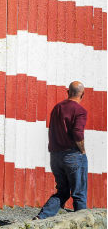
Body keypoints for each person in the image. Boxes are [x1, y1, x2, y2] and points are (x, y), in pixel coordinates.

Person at [35, 81, 88, 219]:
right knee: (79, 194)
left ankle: (41, 219)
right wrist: (82, 150)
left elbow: (51, 129)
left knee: (63, 192)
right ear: (83, 94)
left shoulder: (57, 108)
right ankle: (81, 224)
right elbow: (77, 133)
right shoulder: (80, 111)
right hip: (73, 155)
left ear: (67, 92)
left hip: (55, 157)